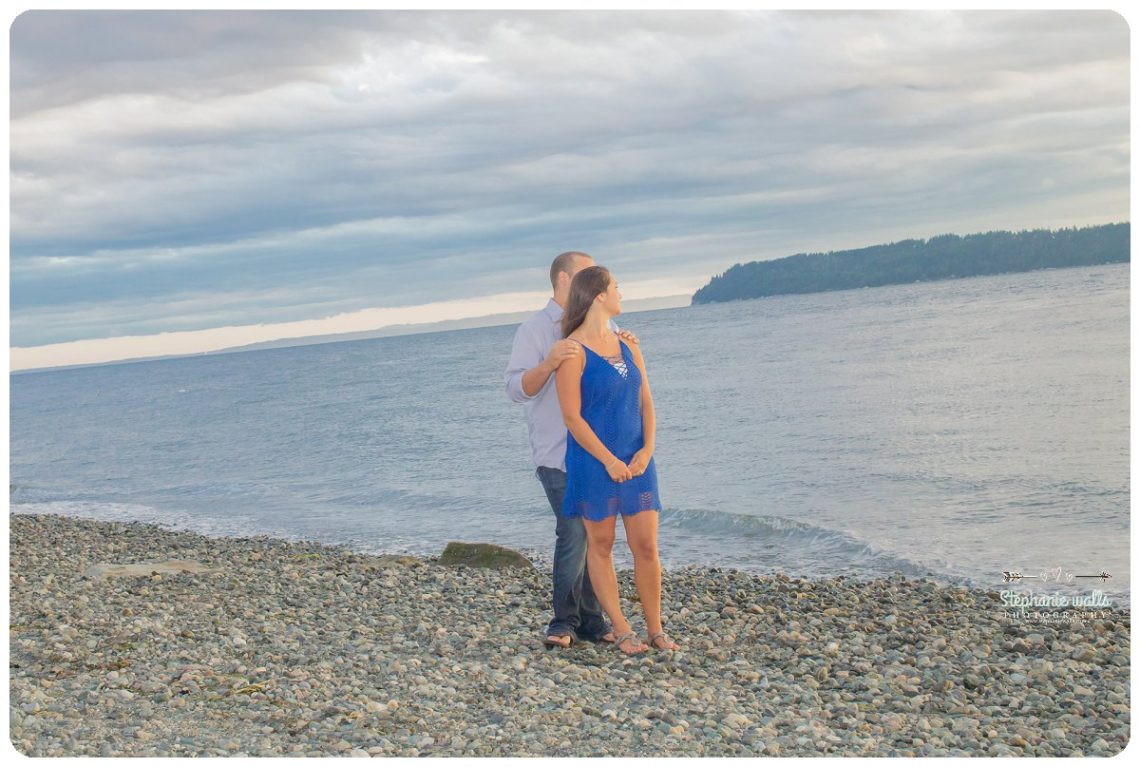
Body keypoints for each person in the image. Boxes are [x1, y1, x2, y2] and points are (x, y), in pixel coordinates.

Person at [504, 251, 640, 648]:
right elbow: (515, 389)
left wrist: (627, 350)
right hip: (557, 452)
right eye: (587, 275)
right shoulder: (533, 330)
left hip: (598, 452)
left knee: (595, 536)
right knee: (574, 532)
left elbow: (619, 381)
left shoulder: (603, 324)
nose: (597, 282)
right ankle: (564, 621)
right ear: (564, 280)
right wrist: (548, 364)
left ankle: (591, 622)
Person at [555, 265, 680, 655]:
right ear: (598, 297)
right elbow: (572, 417)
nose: (621, 294)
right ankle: (623, 630)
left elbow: (646, 401)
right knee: (603, 545)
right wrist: (609, 461)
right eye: (616, 288)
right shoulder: (572, 351)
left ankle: (656, 630)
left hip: (638, 460)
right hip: (595, 463)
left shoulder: (629, 345)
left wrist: (648, 449)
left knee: (646, 547)